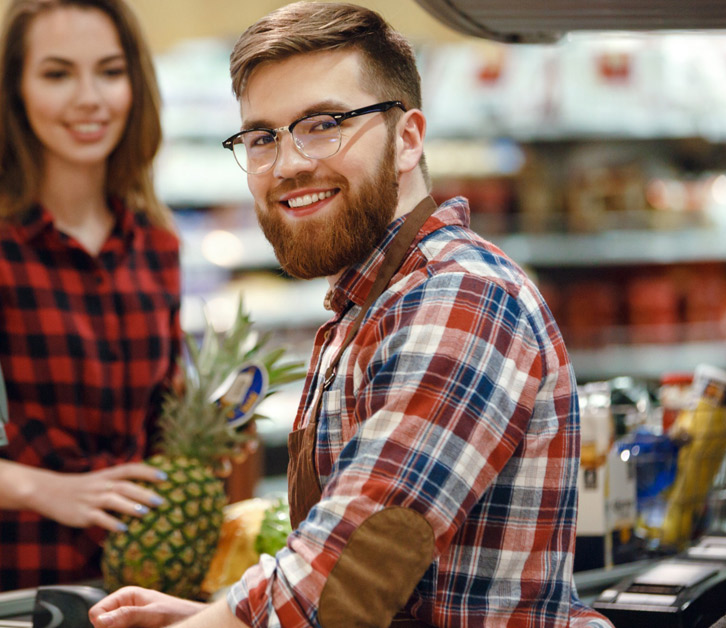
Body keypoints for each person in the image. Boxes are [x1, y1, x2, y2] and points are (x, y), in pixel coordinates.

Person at [90, 3, 614, 627]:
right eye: (262, 138)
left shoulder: (459, 299)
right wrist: (202, 617)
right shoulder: (370, 306)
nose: (287, 165)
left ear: (409, 138)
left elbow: (346, 577)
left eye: (323, 124)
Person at [0, 0, 179, 599]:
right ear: (15, 91)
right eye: (57, 73)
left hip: (139, 583)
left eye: (111, 71)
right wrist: (53, 490)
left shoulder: (157, 246)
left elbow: (159, 432)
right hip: (12, 588)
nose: (90, 97)